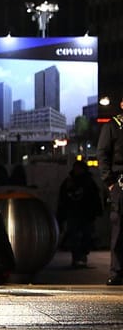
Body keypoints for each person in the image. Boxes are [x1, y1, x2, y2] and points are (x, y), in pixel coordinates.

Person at [57, 159, 103, 269]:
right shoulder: (70, 182)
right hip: (75, 213)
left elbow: (94, 198)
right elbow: (63, 199)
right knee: (75, 236)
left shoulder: (88, 182)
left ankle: (81, 257)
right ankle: (77, 258)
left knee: (85, 236)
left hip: (85, 214)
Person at [98, 109, 123, 284]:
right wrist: (110, 182)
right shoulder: (113, 125)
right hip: (120, 183)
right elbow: (102, 153)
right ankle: (117, 272)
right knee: (119, 227)